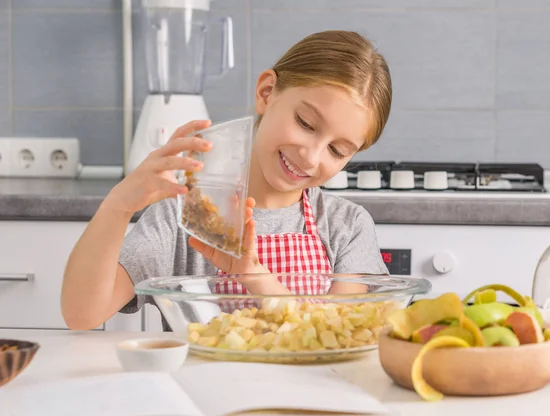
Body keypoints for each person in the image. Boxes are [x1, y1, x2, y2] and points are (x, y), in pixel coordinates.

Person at [61, 30, 393, 331]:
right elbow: (82, 315)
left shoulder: (346, 227)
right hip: (200, 396)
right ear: (266, 93)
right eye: (305, 123)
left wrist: (254, 276)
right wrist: (118, 205)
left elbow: (338, 333)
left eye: (337, 150)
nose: (311, 156)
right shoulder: (185, 219)